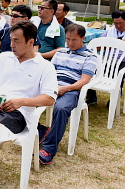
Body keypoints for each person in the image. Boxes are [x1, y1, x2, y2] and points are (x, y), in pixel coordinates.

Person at [0, 21, 58, 189]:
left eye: (17, 41)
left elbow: (49, 99)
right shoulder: (4, 57)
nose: (11, 45)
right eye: (11, 40)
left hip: (18, 113)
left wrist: (21, 102)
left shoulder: (45, 66)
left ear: (31, 42)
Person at [37, 24, 98, 165]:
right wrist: (50, 86)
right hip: (52, 85)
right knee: (24, 98)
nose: (70, 43)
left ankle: (49, 148)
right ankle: (41, 130)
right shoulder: (60, 52)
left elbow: (84, 81)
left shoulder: (90, 56)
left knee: (61, 108)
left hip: (71, 89)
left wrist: (65, 89)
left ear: (83, 38)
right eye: (68, 39)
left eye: (74, 40)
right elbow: (50, 72)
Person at [86, 9, 125, 104]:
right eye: (116, 23)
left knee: (118, 73)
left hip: (123, 61)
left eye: (121, 23)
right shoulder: (110, 31)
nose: (118, 26)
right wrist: (108, 44)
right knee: (89, 70)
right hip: (107, 58)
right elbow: (98, 47)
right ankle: (91, 98)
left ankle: (115, 96)